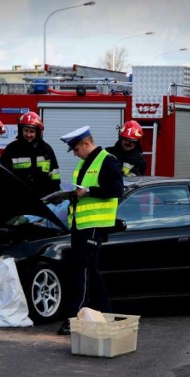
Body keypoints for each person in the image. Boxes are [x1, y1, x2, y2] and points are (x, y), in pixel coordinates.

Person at [57, 125, 123, 335]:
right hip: (81, 226)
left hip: (94, 226)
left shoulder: (107, 160)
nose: (75, 154)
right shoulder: (86, 163)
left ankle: (74, 318)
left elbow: (116, 189)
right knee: (91, 272)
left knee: (82, 271)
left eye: (76, 149)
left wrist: (88, 191)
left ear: (86, 143)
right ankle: (106, 314)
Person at [0, 111, 61, 198]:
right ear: (21, 130)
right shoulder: (11, 150)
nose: (28, 134)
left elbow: (55, 174)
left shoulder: (46, 150)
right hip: (18, 199)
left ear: (38, 132)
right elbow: (3, 176)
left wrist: (56, 193)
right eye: (26, 131)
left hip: (43, 199)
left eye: (32, 131)